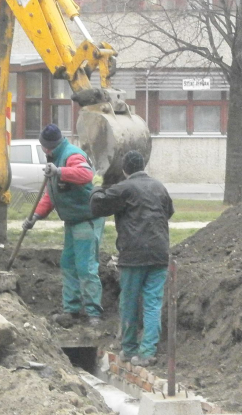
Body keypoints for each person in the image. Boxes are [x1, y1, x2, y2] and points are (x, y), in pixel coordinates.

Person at [89, 150, 173, 367]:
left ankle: (128, 349)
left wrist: (97, 187)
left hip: (134, 255)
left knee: (129, 302)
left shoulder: (123, 189)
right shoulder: (159, 187)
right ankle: (147, 353)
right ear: (143, 165)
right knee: (153, 303)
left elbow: (97, 206)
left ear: (125, 169)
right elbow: (169, 212)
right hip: (159, 253)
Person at [22, 124, 104, 327]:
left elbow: (85, 174)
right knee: (68, 264)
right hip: (72, 221)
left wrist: (59, 171)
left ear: (46, 146)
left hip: (87, 219)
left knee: (86, 267)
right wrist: (36, 216)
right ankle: (72, 310)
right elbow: (51, 195)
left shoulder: (71, 155)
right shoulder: (54, 158)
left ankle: (94, 313)